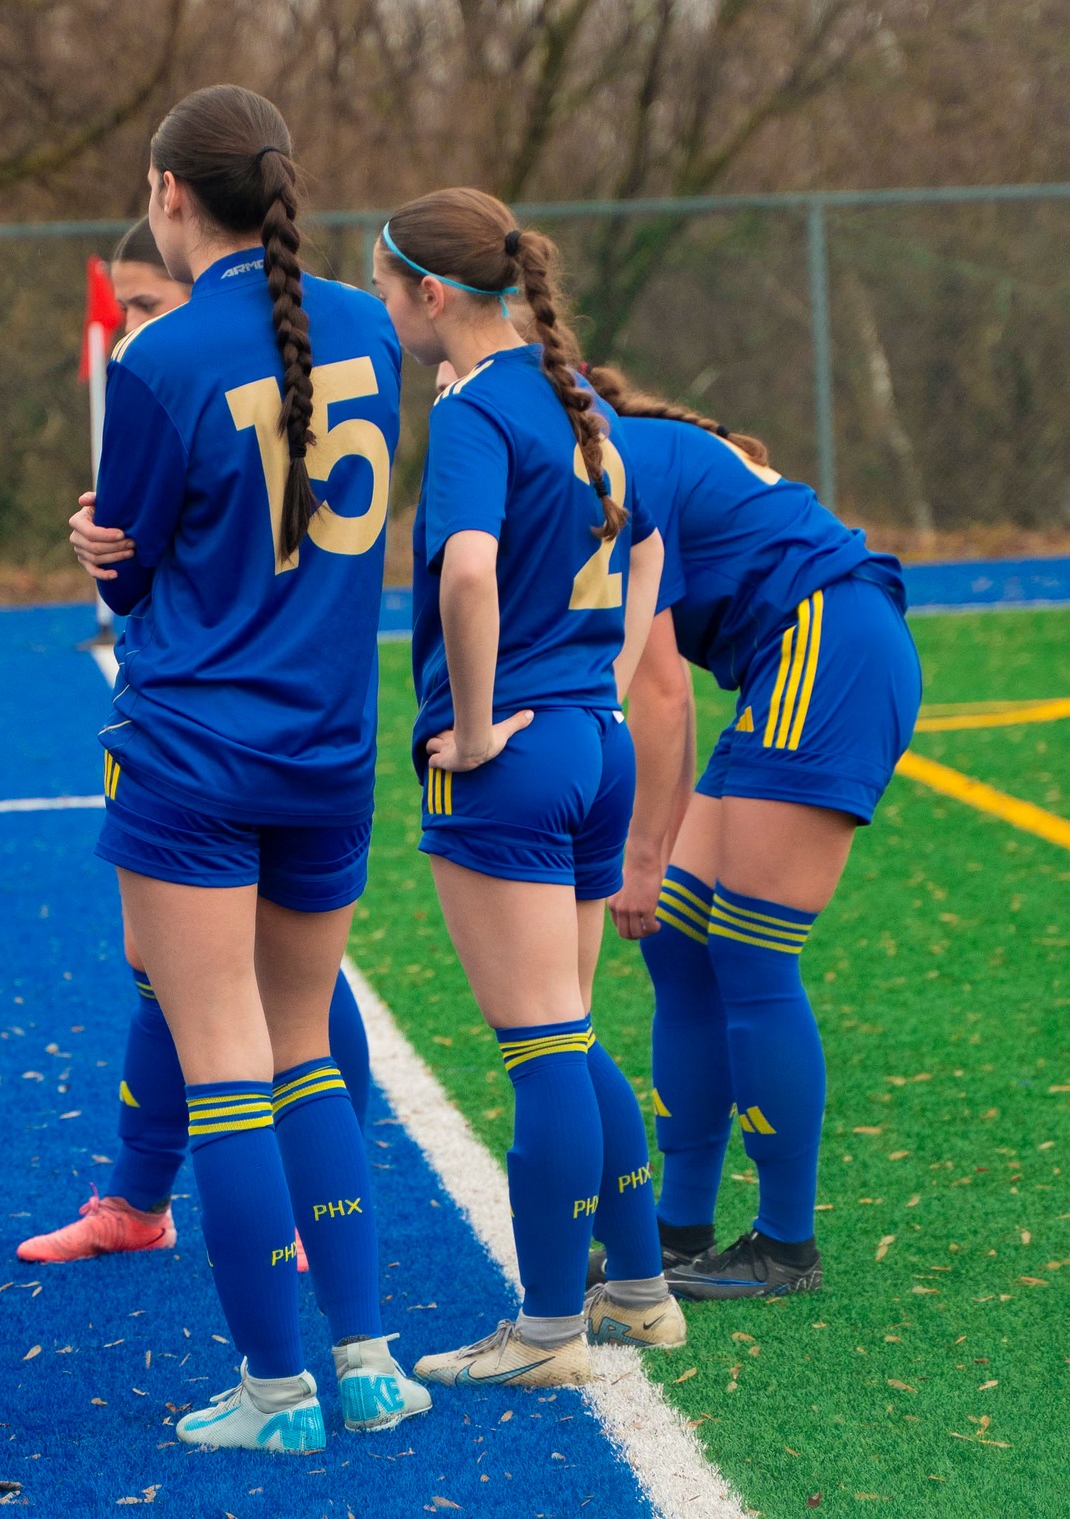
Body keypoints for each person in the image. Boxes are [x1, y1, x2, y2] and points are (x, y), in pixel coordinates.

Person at [80, 86, 428, 1454]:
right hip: (329, 749)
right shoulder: (366, 327)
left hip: (195, 755)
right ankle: (368, 1362)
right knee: (305, 1053)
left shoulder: (158, 358)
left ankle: (277, 1396)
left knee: (224, 1067)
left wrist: (98, 548)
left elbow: (132, 572)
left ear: (169, 193)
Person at [372, 188, 683, 1391]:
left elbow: (465, 574)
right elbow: (647, 545)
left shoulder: (470, 410)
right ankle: (639, 1290)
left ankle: (548, 1329)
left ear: (428, 293)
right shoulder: (576, 397)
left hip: (513, 757)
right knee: (569, 1027)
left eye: (385, 288)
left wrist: (468, 720)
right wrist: (602, 671)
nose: (385, 309)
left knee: (541, 1043)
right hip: (594, 745)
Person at [27, 220, 374, 1267]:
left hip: (216, 726)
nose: (130, 324)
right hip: (243, 717)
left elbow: (146, 573)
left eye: (145, 301)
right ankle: (141, 1199)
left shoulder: (199, 365)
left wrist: (111, 550)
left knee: (286, 983)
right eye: (124, 305)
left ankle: (311, 1202)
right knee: (164, 964)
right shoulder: (307, 347)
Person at [592, 363, 920, 1298]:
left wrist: (642, 854)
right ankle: (680, 1229)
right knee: (680, 940)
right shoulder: (616, 448)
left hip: (827, 646)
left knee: (748, 949)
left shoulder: (609, 460)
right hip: (794, 658)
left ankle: (784, 1249)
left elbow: (662, 693)